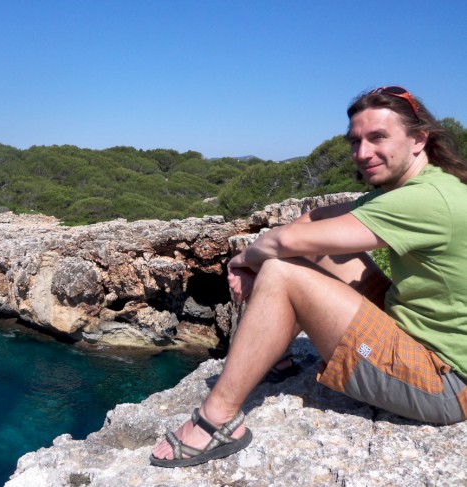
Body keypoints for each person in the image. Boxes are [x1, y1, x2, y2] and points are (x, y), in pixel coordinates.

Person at [150, 86, 467, 468]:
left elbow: (284, 240)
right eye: (356, 141)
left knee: (282, 270)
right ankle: (271, 354)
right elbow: (315, 220)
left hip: (444, 382)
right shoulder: (419, 186)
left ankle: (217, 419)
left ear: (419, 139)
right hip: (415, 332)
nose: (362, 153)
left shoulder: (422, 199)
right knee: (312, 250)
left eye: (378, 137)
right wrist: (264, 258)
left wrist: (244, 262)